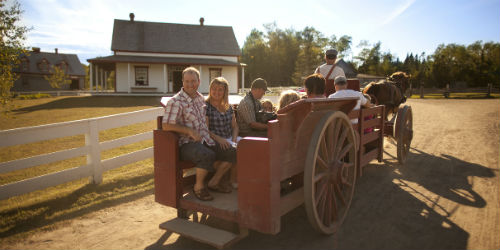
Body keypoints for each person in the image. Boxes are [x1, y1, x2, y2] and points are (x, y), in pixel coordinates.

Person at [162, 67, 232, 201]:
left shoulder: (200, 98)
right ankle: (198, 187)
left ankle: (214, 182)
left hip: (205, 139)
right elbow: (165, 125)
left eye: (193, 81)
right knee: (207, 154)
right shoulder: (175, 102)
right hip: (186, 143)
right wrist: (188, 130)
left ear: (199, 82)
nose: (190, 84)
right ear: (182, 81)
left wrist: (216, 137)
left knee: (232, 152)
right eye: (187, 81)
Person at [205, 77, 240, 189]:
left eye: (220, 89)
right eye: (214, 89)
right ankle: (225, 180)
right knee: (233, 151)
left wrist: (234, 140)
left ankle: (232, 179)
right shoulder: (206, 107)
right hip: (214, 139)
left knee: (246, 145)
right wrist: (220, 139)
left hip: (230, 137)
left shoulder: (228, 106)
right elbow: (205, 129)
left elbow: (235, 126)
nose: (217, 92)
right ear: (210, 90)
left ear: (225, 91)